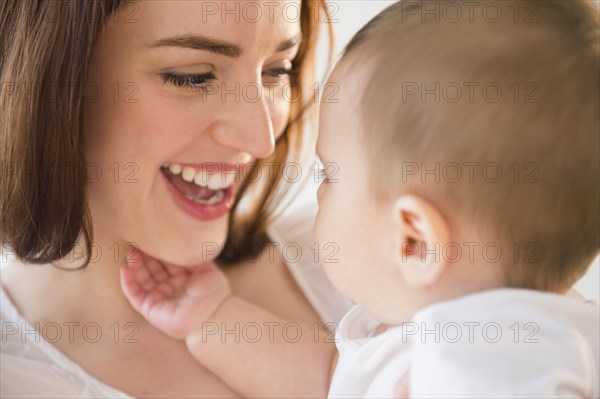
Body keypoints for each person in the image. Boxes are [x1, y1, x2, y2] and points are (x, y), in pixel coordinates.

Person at [120, 0, 600, 397]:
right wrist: (212, 319)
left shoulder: (494, 367)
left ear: (413, 241)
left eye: (330, 175)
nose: (318, 191)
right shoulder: (442, 338)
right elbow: (331, 380)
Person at [0, 1, 353, 397]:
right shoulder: (15, 379)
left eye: (276, 70)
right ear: (51, 83)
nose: (260, 140)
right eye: (193, 77)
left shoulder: (377, 264)